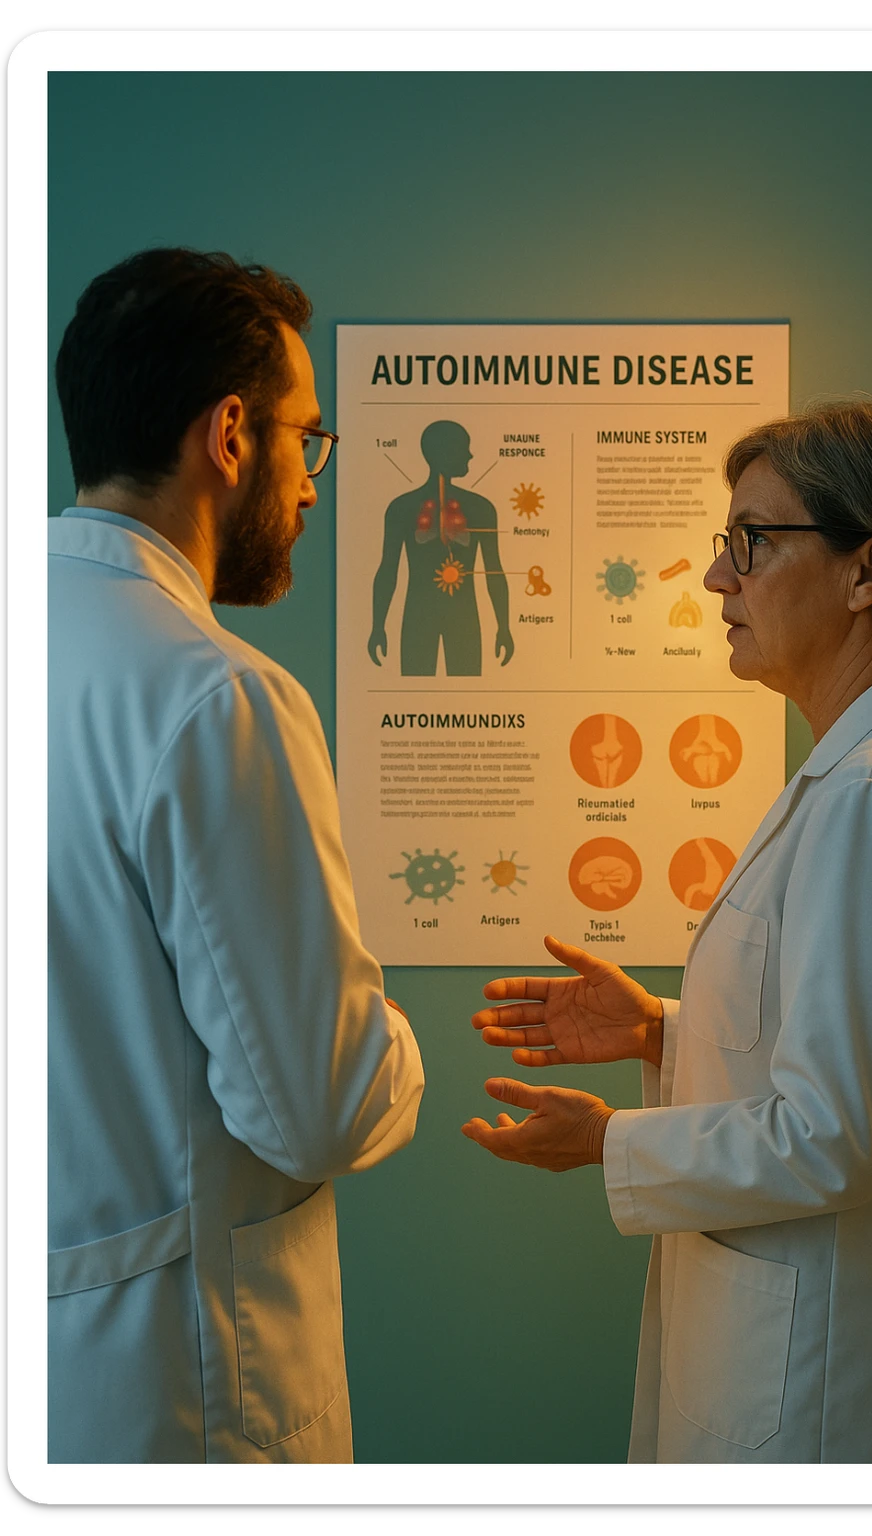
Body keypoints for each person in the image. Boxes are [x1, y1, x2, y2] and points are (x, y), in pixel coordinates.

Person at [463, 400, 872, 1464]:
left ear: (869, 570)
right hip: (825, 1338)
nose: (715, 579)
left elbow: (834, 1135)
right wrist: (663, 1029)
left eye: (753, 541)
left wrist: (607, 1142)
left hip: (823, 1379)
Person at [48, 249, 425, 1463]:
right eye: (308, 438)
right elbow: (316, 1108)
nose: (313, 481)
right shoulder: (215, 697)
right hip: (187, 1388)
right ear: (228, 435)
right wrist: (393, 1045)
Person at [367, 420, 514, 676]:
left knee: (466, 692)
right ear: (443, 453)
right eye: (463, 448)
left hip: (462, 619)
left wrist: (504, 626)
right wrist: (377, 626)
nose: (470, 455)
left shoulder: (481, 508)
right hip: (420, 617)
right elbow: (388, 570)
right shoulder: (401, 508)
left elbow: (494, 572)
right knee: (415, 690)